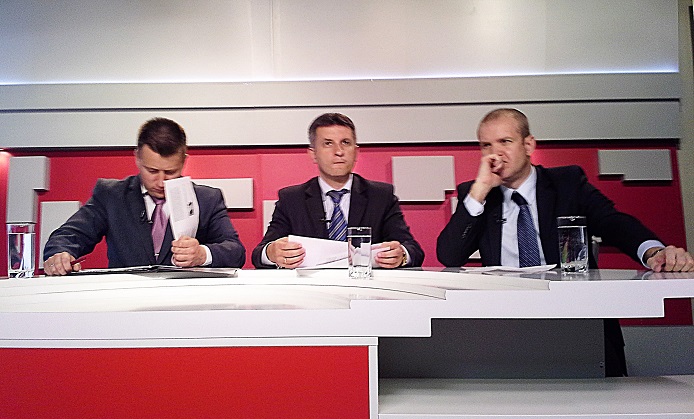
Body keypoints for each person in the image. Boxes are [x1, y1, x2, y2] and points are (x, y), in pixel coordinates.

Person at [437, 108, 694, 376]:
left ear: (528, 145)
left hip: (577, 323)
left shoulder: (567, 183)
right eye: (486, 146)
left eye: (505, 142)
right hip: (507, 330)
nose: (495, 154)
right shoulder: (476, 194)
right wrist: (480, 190)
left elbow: (612, 222)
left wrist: (653, 251)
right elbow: (449, 256)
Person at [43, 117, 246, 275]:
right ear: (137, 157)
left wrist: (202, 254)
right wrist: (60, 254)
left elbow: (235, 251)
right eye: (152, 171)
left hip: (185, 303)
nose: (161, 182)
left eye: (170, 172)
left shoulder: (207, 199)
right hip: (125, 302)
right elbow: (69, 235)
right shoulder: (111, 195)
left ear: (184, 161)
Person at [252, 112, 424, 269]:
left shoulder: (380, 196)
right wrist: (272, 253)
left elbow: (413, 250)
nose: (339, 152)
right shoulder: (292, 199)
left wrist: (401, 255)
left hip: (365, 287)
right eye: (328, 144)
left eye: (345, 143)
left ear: (356, 152)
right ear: (313, 154)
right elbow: (259, 254)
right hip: (310, 288)